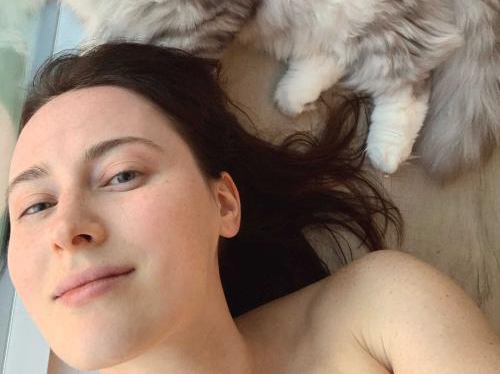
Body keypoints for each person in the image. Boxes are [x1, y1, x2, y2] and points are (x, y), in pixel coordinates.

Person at [2, 42, 499, 373]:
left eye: (122, 175)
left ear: (224, 204)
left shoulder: (378, 313)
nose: (67, 228)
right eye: (36, 205)